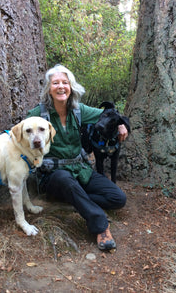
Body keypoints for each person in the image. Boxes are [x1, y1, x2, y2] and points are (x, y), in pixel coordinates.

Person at [27, 64, 128, 251]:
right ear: (49, 89)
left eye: (65, 82)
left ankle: (76, 198)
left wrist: (121, 124)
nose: (60, 86)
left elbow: (108, 114)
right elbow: (21, 135)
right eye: (55, 83)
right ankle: (101, 226)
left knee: (118, 198)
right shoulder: (37, 114)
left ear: (71, 87)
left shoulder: (78, 110)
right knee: (63, 178)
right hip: (53, 176)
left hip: (80, 170)